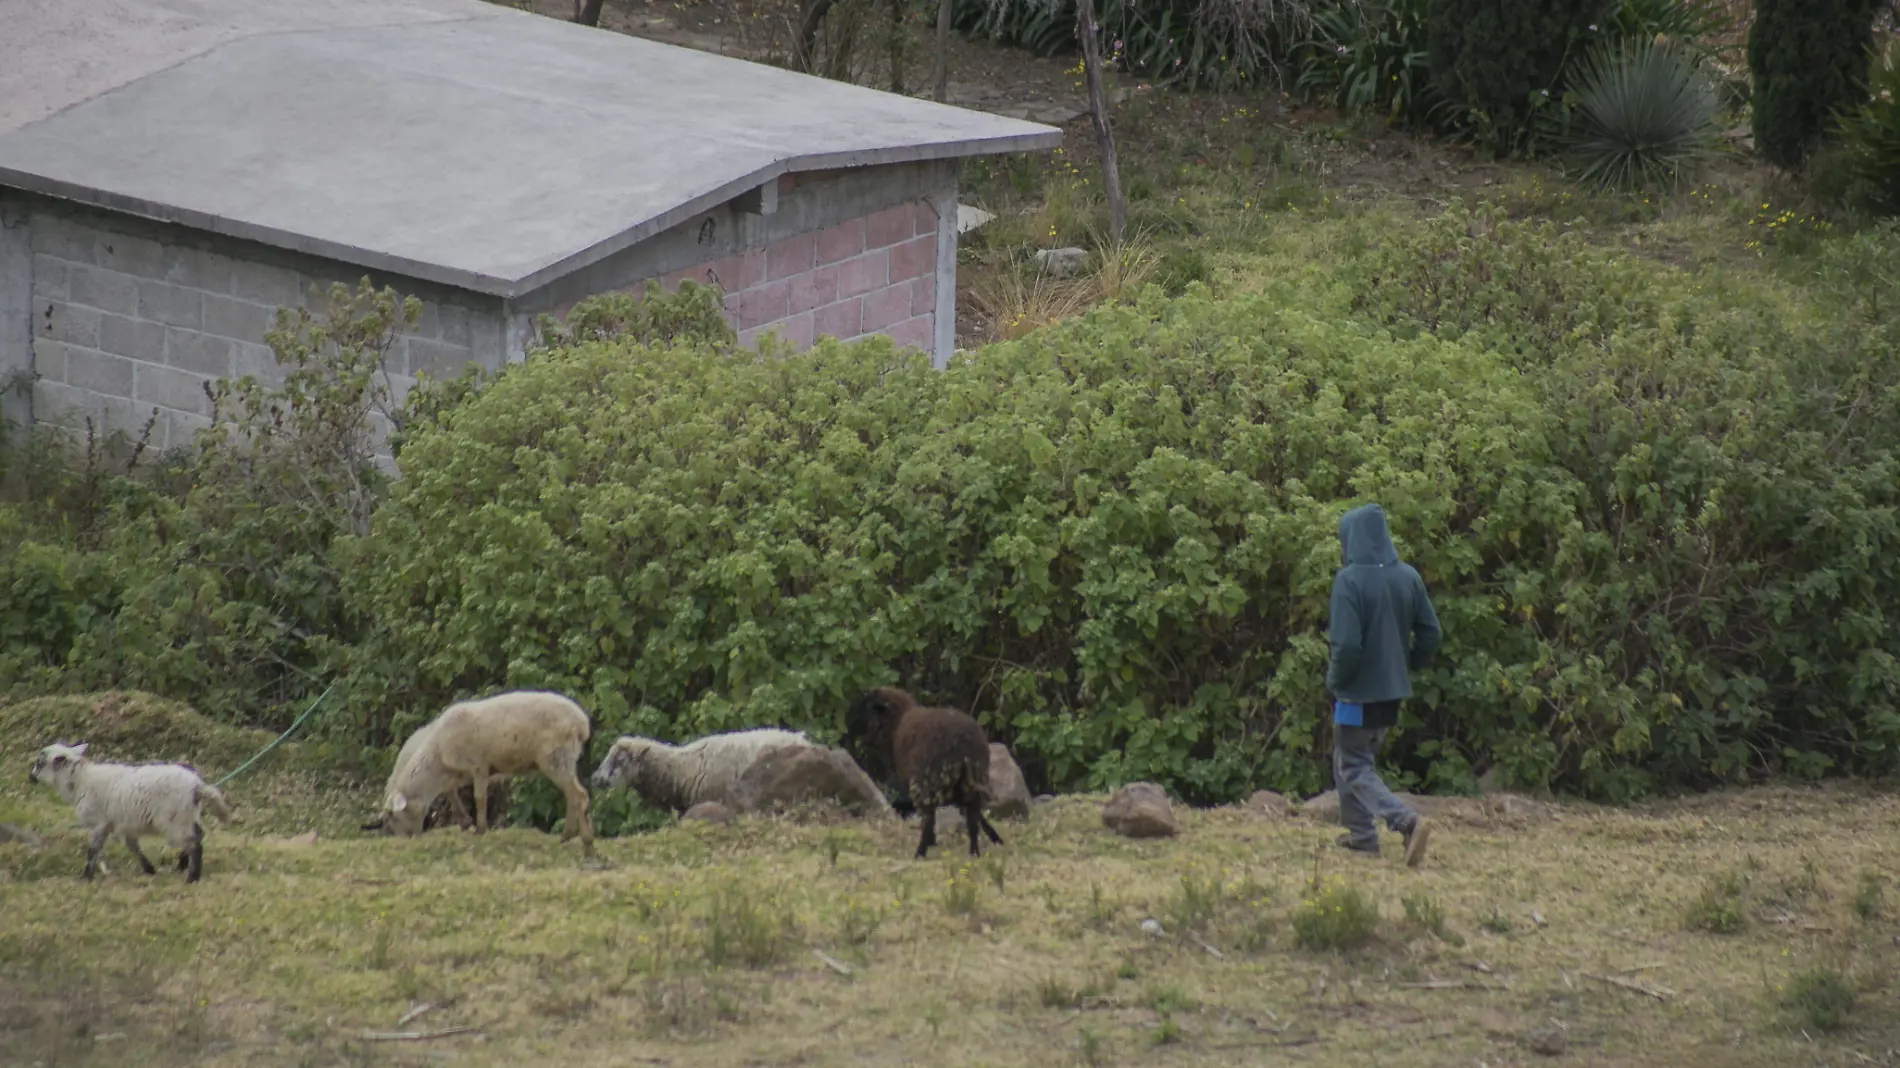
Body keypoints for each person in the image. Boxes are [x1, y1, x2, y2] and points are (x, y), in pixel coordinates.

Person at [1325, 502, 1441, 868]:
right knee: (1353, 759)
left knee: (1354, 765)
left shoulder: (1349, 581)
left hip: (1357, 692)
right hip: (1392, 692)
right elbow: (1430, 634)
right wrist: (1407, 666)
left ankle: (1404, 821)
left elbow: (1345, 646)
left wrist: (1336, 679)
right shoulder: (1408, 576)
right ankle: (1361, 838)